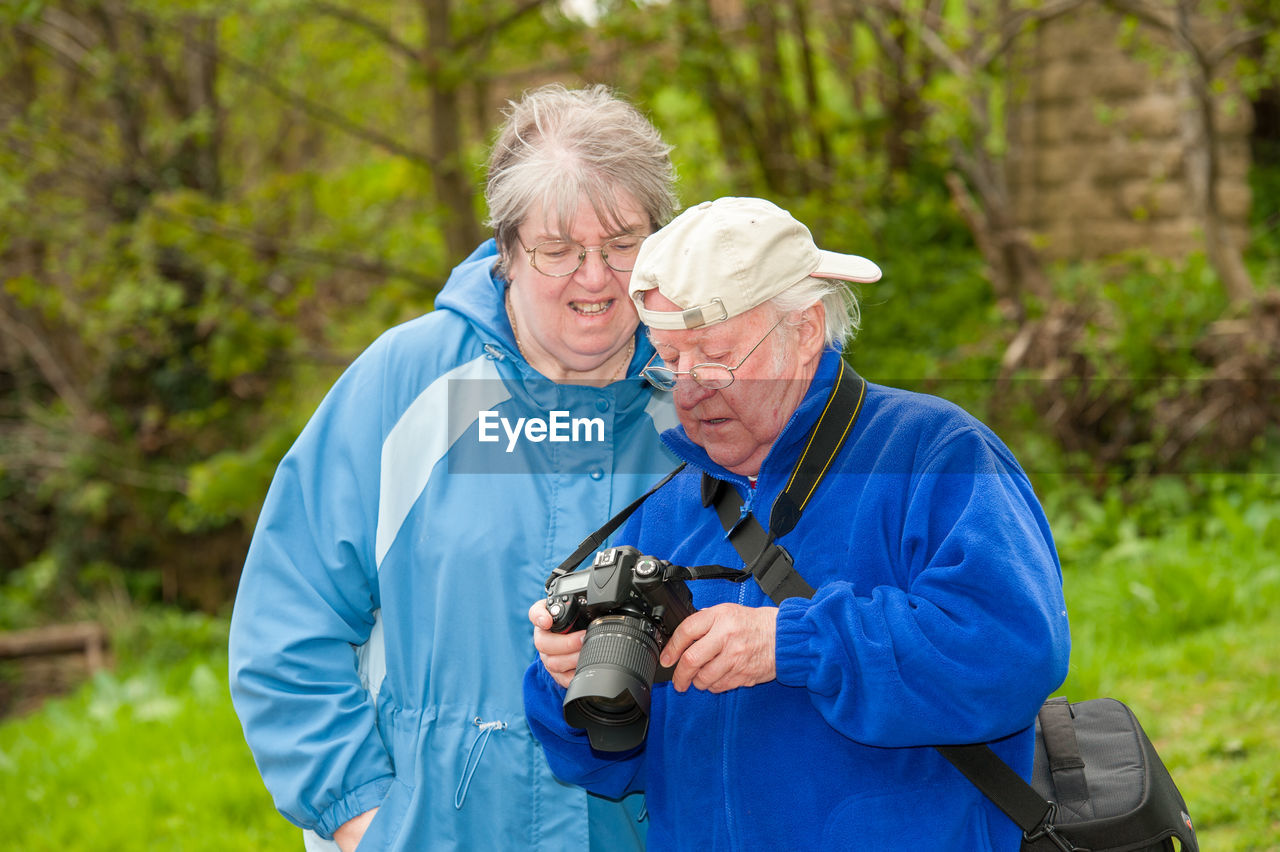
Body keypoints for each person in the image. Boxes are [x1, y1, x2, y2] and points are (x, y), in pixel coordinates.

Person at [524, 197, 1071, 850]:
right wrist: (568, 679)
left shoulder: (935, 454)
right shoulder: (665, 510)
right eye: (670, 361)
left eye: (716, 354)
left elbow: (1011, 653)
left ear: (805, 329)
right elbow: (607, 765)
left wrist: (794, 643)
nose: (691, 388)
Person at [228, 84, 682, 852]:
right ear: (506, 252)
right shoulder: (408, 386)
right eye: (559, 250)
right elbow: (285, 627)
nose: (596, 277)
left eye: (622, 243)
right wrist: (364, 820)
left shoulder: (700, 402)